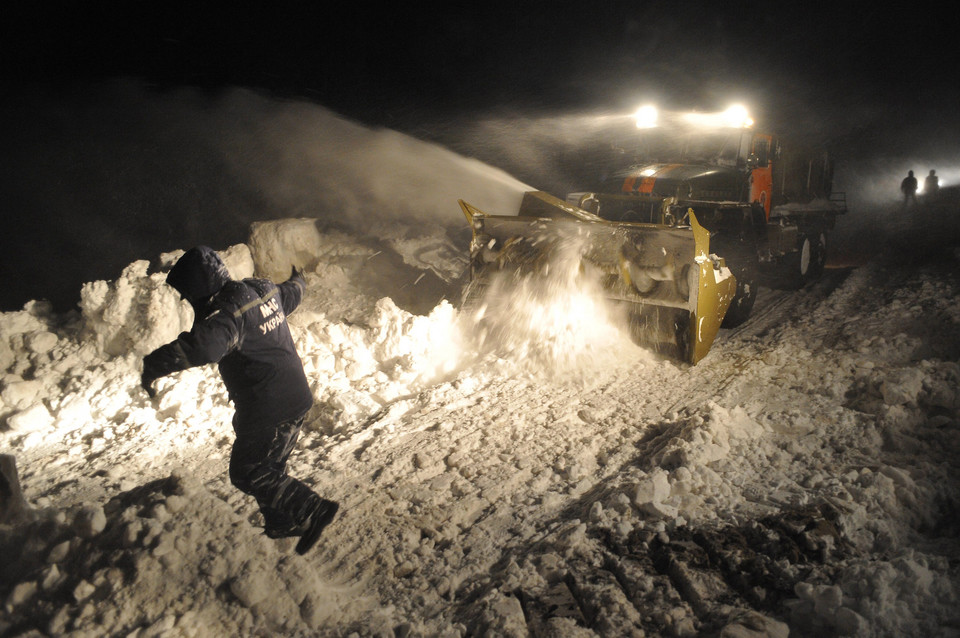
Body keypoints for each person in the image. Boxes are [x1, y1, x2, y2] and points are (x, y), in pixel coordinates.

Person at [140, 246, 338, 555]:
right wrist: (299, 279)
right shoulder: (259, 289)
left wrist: (154, 364)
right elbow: (291, 294)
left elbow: (201, 349)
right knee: (270, 466)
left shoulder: (226, 315)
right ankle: (282, 523)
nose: (187, 300)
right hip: (294, 395)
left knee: (248, 471)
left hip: (270, 405)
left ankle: (313, 509)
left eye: (186, 293)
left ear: (198, 288)